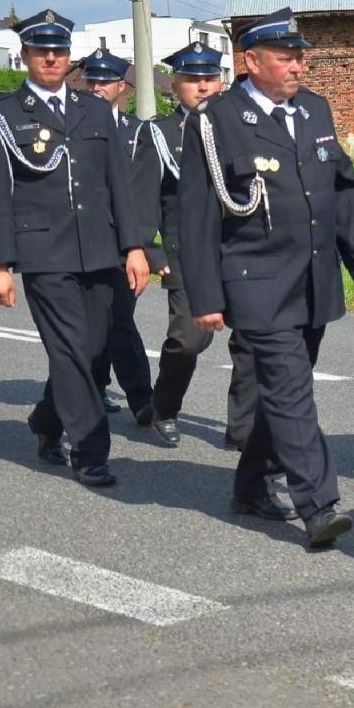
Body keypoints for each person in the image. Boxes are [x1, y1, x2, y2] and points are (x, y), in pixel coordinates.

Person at [178, 8, 354, 548]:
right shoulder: (215, 120)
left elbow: (344, 190)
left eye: (300, 56)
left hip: (313, 278)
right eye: (286, 56)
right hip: (256, 280)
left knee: (282, 392)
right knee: (293, 391)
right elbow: (197, 217)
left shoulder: (314, 110)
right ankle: (318, 503)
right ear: (251, 61)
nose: (298, 65)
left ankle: (250, 484)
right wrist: (204, 296)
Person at [0, 10, 150, 488]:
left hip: (100, 250)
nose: (50, 57)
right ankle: (91, 450)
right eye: (40, 50)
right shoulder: (3, 114)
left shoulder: (94, 110)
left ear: (69, 56)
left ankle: (46, 422)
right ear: (25, 56)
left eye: (58, 50)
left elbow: (119, 183)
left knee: (95, 354)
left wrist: (133, 247)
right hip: (44, 254)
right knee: (72, 349)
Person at [132, 42, 261, 465]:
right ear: (176, 85)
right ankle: (164, 407)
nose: (203, 86)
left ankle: (241, 429)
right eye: (192, 79)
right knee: (189, 340)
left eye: (210, 77)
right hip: (185, 253)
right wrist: (149, 251)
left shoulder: (240, 125)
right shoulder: (161, 133)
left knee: (250, 343)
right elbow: (145, 198)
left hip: (240, 250)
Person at [30, 49, 157, 436]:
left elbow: (145, 195)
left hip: (126, 246)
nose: (98, 87)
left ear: (122, 87)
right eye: (92, 81)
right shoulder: (72, 120)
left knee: (111, 326)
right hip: (81, 244)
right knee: (84, 339)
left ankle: (140, 398)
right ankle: (85, 408)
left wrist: (141, 246)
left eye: (106, 82)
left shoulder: (137, 133)